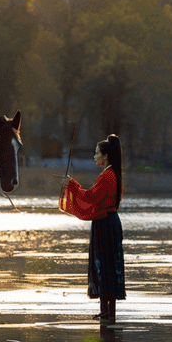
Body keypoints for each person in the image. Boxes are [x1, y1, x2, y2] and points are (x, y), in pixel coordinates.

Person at [60, 135, 125, 323]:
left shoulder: (107, 175)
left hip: (105, 223)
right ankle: (107, 311)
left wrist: (71, 184)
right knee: (108, 266)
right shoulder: (113, 174)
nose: (94, 156)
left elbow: (90, 197)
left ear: (105, 156)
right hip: (109, 221)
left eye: (96, 153)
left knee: (103, 265)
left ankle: (107, 312)